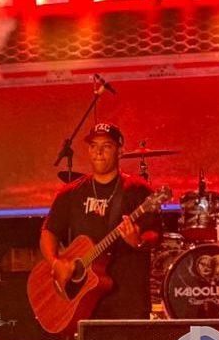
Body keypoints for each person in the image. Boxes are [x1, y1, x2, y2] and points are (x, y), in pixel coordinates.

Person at [40, 123, 160, 320]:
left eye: (107, 146)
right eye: (93, 146)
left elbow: (155, 233)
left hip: (128, 301)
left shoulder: (138, 190)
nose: (98, 152)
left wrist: (137, 241)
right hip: (83, 302)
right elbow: (49, 231)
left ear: (120, 152)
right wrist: (55, 263)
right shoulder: (71, 193)